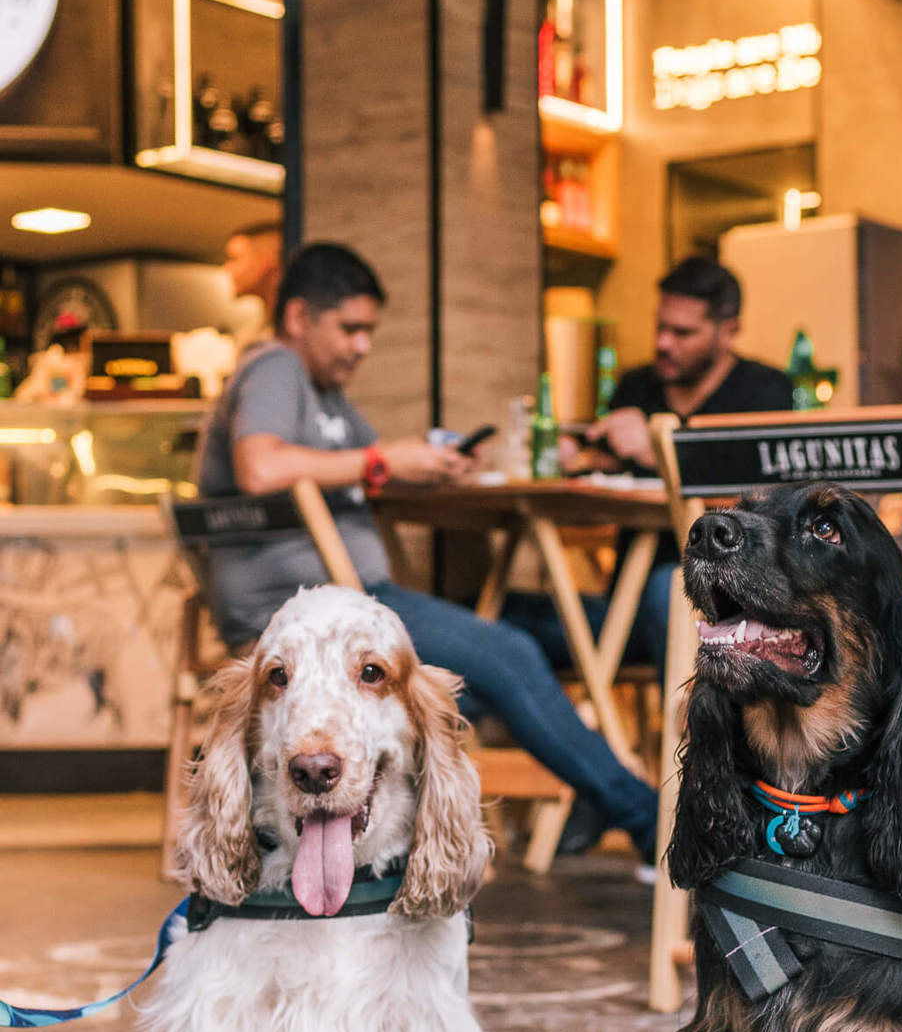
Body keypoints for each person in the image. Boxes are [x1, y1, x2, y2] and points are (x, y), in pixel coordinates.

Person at [194, 241, 659, 864]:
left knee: (517, 637)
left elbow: (371, 466)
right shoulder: (275, 367)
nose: (363, 346)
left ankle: (596, 795)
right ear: (300, 317)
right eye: (350, 329)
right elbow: (260, 466)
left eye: (370, 332)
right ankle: (648, 820)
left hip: (356, 607)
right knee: (509, 654)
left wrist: (430, 464)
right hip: (307, 616)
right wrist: (384, 461)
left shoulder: (327, 398)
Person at [505, 255, 793, 685]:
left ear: (728, 331)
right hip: (626, 603)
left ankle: (698, 738)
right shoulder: (635, 387)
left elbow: (768, 506)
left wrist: (660, 452)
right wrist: (575, 460)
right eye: (660, 326)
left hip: (725, 601)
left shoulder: (766, 393)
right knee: (492, 614)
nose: (663, 343)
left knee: (670, 588)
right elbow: (602, 474)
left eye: (682, 332)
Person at [223, 220, 284, 353]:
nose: (226, 268)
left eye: (234, 259)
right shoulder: (249, 336)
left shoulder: (295, 336)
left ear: (265, 262)